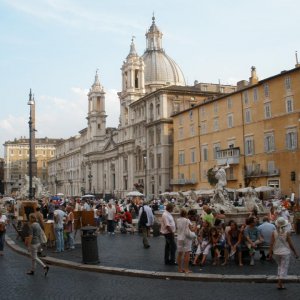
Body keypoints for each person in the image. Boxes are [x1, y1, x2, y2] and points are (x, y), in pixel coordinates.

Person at [269, 217, 299, 290]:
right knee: (283, 267)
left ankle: (280, 283)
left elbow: (271, 244)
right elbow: (290, 244)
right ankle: (279, 283)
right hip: (285, 252)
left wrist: (270, 253)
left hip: (276, 252)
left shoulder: (274, 232)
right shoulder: (286, 233)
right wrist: (295, 252)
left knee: (279, 266)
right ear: (284, 225)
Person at [176, 208, 195, 273]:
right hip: (186, 238)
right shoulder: (187, 220)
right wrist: (196, 227)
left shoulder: (177, 220)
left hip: (179, 238)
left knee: (179, 253)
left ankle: (179, 269)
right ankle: (186, 269)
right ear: (186, 214)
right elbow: (192, 230)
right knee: (187, 254)